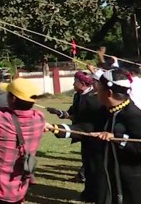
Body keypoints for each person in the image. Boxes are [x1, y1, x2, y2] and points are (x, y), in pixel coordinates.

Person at [47, 68, 141, 204]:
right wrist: (54, 128)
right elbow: (86, 129)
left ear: (109, 93)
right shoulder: (104, 111)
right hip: (111, 182)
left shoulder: (134, 116)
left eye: (98, 89)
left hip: (136, 186)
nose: (95, 92)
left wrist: (117, 138)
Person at [46, 71, 99, 200]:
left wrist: (56, 129)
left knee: (93, 166)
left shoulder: (95, 98)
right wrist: (58, 112)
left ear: (82, 83)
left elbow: (87, 124)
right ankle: (88, 192)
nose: (73, 84)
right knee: (86, 163)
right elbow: (72, 114)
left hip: (93, 137)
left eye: (75, 82)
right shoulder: (77, 96)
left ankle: (94, 194)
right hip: (83, 136)